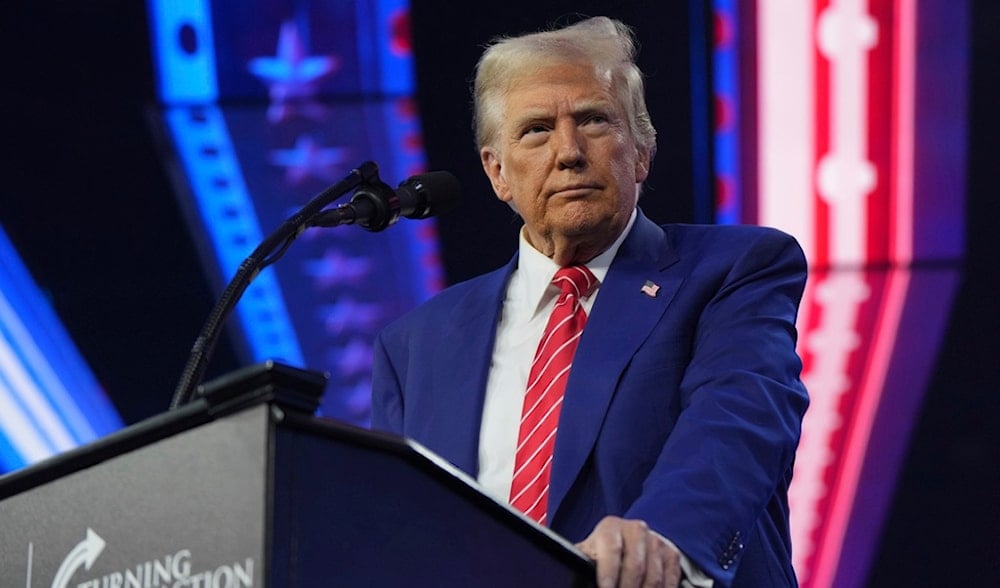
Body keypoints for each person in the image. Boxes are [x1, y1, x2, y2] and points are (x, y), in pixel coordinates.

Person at [370, 16, 808, 588]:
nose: (569, 152)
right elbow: (397, 535)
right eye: (536, 131)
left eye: (594, 120)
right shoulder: (415, 345)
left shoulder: (733, 271)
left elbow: (737, 425)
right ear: (497, 172)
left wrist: (658, 540)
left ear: (642, 152)